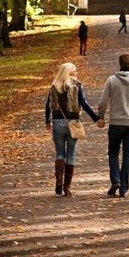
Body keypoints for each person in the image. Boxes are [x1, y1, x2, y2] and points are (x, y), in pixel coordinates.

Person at [97, 54, 129, 198]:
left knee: (113, 153)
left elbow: (102, 102)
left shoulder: (111, 80)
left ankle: (116, 180)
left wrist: (100, 117)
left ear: (119, 63)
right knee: (128, 155)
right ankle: (124, 188)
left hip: (115, 123)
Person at [45, 63, 100, 196]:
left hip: (57, 122)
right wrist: (96, 119)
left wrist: (47, 121)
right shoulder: (77, 86)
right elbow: (84, 104)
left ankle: (58, 182)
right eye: (75, 71)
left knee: (59, 153)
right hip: (73, 123)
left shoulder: (54, 86)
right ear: (69, 73)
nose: (76, 73)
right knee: (71, 154)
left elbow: (48, 105)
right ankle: (67, 187)